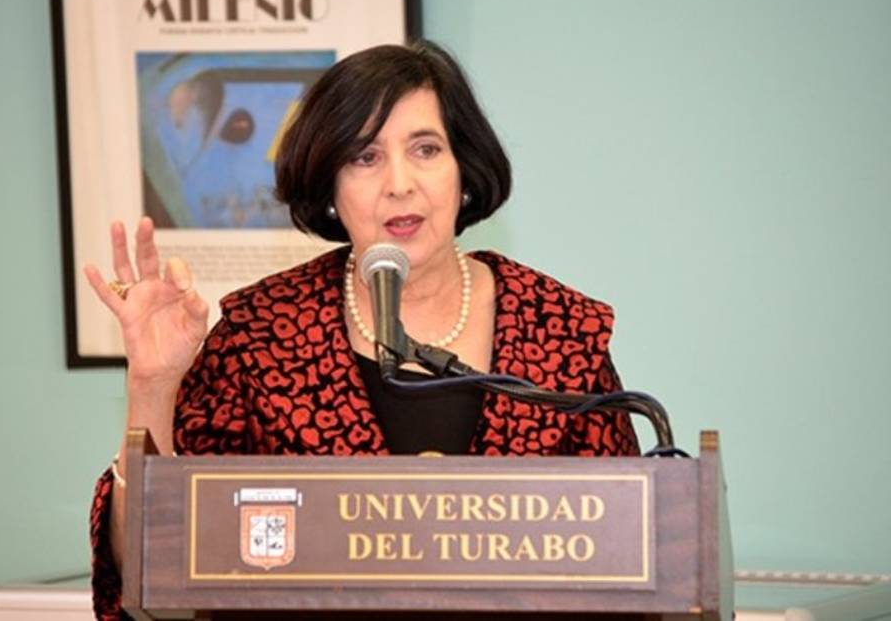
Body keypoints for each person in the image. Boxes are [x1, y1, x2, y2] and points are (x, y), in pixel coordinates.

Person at [85, 40, 639, 620]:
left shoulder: (560, 331)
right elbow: (146, 570)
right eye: (365, 157)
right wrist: (153, 384)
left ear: (464, 172)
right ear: (330, 188)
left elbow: (629, 555)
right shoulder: (260, 338)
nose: (399, 183)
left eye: (426, 149)